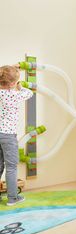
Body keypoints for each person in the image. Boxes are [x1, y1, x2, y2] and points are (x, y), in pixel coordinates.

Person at [0, 65, 33, 206]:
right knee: (12, 166)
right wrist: (19, 86)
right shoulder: (15, 94)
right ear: (13, 83)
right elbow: (29, 93)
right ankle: (13, 198)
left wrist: (10, 71)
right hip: (8, 135)